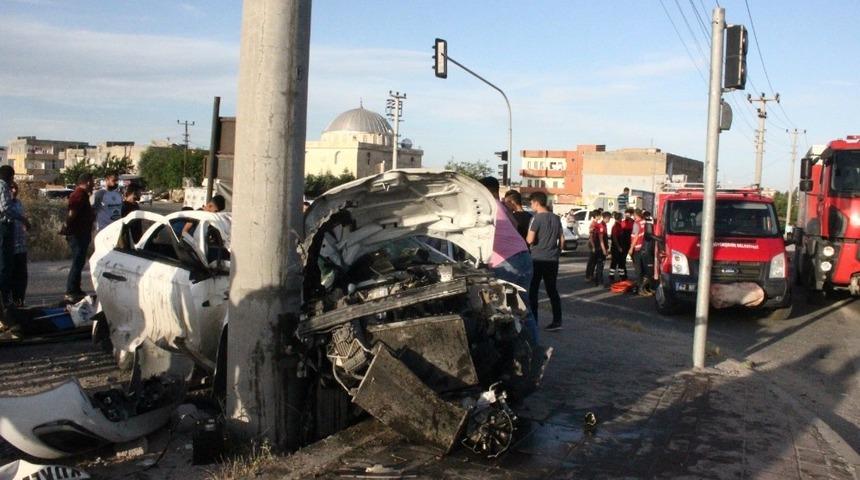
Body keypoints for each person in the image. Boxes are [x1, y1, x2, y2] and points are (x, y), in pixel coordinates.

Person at [478, 177, 538, 341]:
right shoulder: (501, 206)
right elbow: (515, 224)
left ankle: (511, 353)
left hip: (506, 262)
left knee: (501, 310)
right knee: (524, 309)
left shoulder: (485, 207)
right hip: (524, 256)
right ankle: (534, 347)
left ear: (483, 191)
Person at [527, 191, 564, 332]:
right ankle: (557, 320)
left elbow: (530, 239)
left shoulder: (535, 219)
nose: (531, 206)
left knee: (534, 290)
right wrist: (557, 252)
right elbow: (562, 240)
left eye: (531, 203)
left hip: (537, 258)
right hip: (552, 259)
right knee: (552, 290)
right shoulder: (556, 218)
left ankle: (534, 321)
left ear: (536, 202)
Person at [0, 167, 29, 314]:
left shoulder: (18, 203)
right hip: (5, 231)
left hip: (18, 243)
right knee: (5, 268)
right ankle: (5, 301)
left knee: (17, 273)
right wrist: (22, 218)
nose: (13, 189)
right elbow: (5, 208)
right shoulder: (2, 186)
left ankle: (15, 300)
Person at [64, 173, 95, 302]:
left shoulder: (83, 195)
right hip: (77, 234)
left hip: (82, 233)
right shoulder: (79, 194)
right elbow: (72, 212)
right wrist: (66, 225)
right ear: (87, 182)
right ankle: (71, 290)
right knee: (77, 261)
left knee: (80, 261)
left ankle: (76, 289)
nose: (93, 184)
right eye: (92, 181)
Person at [9, 182, 28, 306]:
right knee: (10, 276)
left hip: (20, 246)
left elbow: (22, 218)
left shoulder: (18, 203)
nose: (14, 190)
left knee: (22, 276)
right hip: (9, 247)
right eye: (11, 188)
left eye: (16, 188)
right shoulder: (4, 205)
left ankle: (19, 300)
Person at [627, 209, 648, 294]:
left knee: (638, 270)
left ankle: (640, 288)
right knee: (643, 270)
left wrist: (631, 248)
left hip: (637, 248)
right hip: (643, 248)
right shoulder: (644, 222)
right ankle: (643, 288)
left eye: (634, 215)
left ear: (636, 215)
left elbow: (635, 237)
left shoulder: (636, 223)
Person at [591, 211, 610, 286]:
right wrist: (604, 250)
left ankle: (596, 281)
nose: (609, 220)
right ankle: (600, 282)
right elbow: (601, 239)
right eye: (609, 218)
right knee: (600, 265)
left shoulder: (602, 225)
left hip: (598, 248)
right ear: (606, 218)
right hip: (600, 248)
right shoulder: (601, 226)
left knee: (599, 265)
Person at [609, 211, 626, 283]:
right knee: (615, 262)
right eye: (621, 217)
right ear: (619, 218)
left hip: (619, 247)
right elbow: (615, 238)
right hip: (616, 248)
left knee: (621, 262)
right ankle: (611, 276)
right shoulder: (616, 226)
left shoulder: (619, 225)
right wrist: (619, 247)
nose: (622, 219)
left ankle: (622, 276)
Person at [584, 209, 599, 281]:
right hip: (593, 243)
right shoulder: (593, 224)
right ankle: (588, 276)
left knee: (594, 261)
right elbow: (591, 236)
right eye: (599, 215)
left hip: (595, 243)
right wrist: (593, 246)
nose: (600, 217)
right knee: (591, 261)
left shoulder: (596, 223)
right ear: (596, 216)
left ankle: (591, 275)